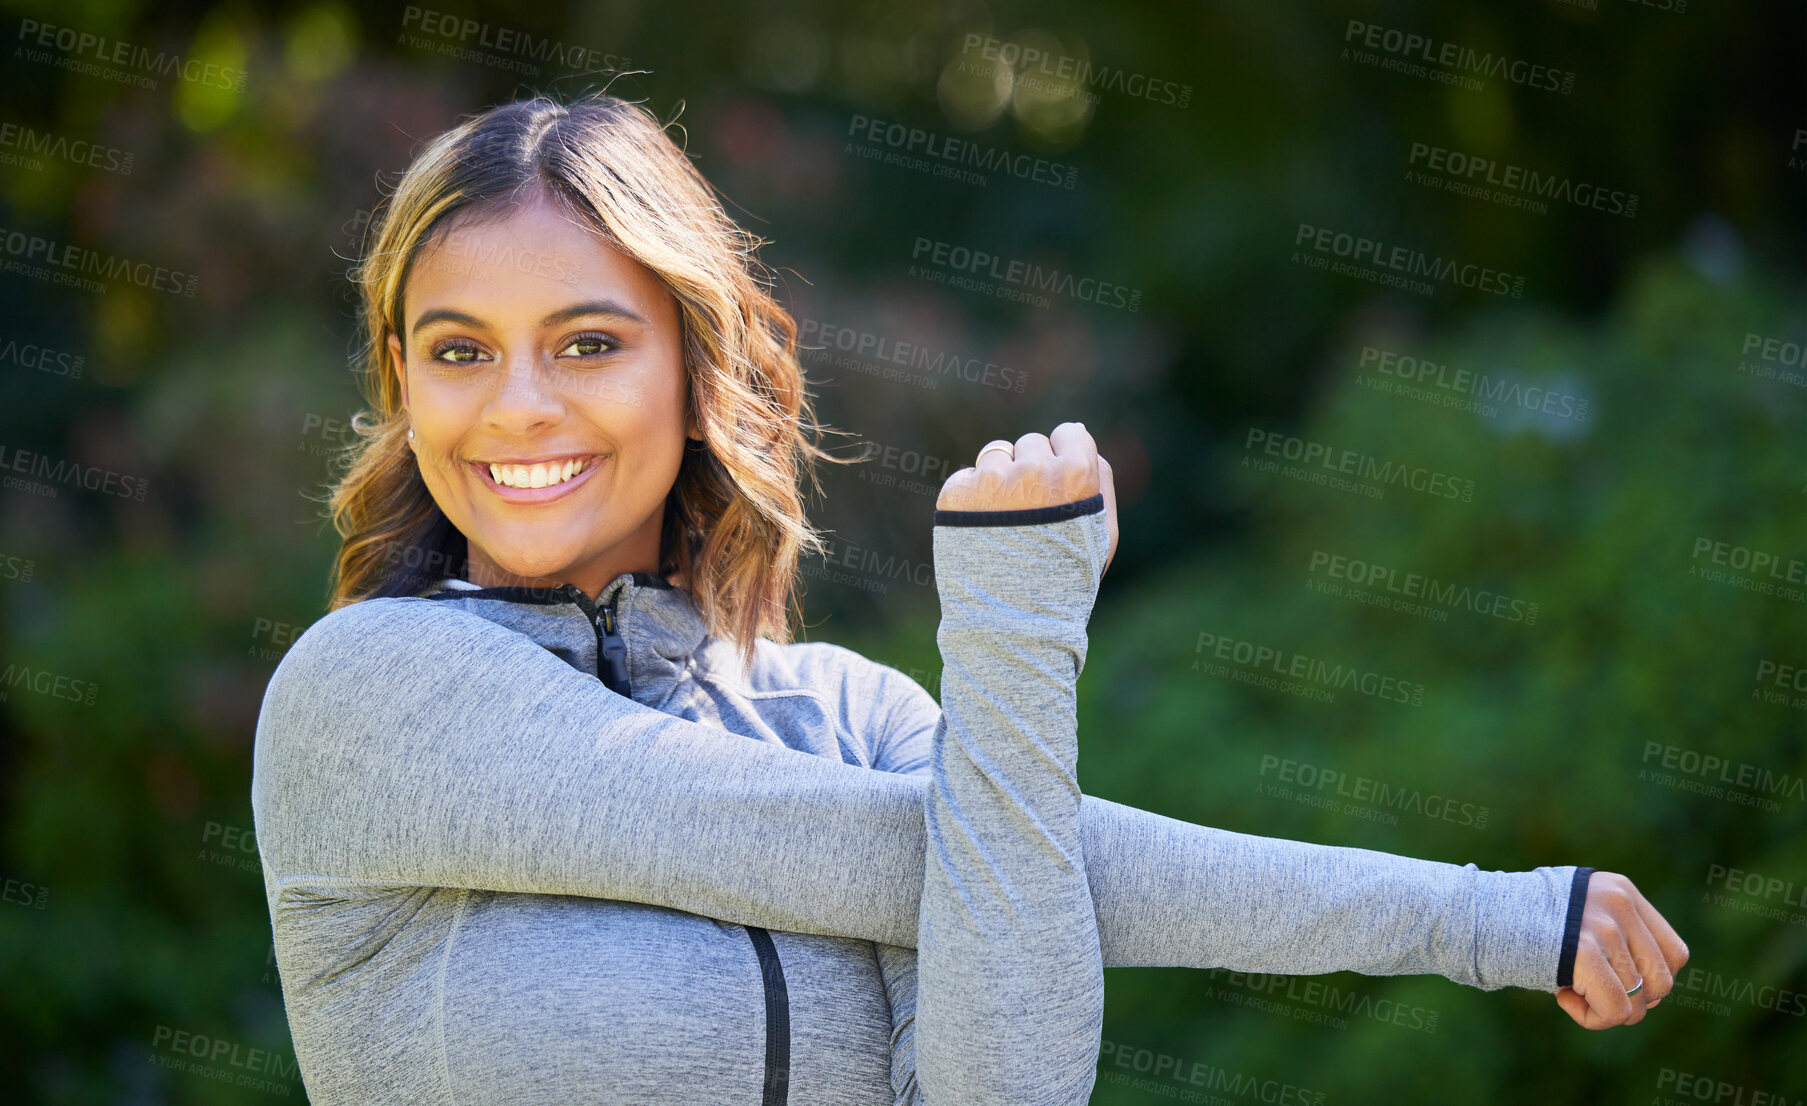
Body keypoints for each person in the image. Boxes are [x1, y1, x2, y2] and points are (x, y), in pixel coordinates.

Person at [249, 92, 1688, 1105]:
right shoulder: (368, 693)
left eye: (585, 340)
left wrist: (1010, 644)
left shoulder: (852, 714)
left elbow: (1009, 1078)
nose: (518, 407)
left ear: (693, 368)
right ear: (397, 378)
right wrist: (1483, 919)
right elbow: (950, 860)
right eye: (458, 351)